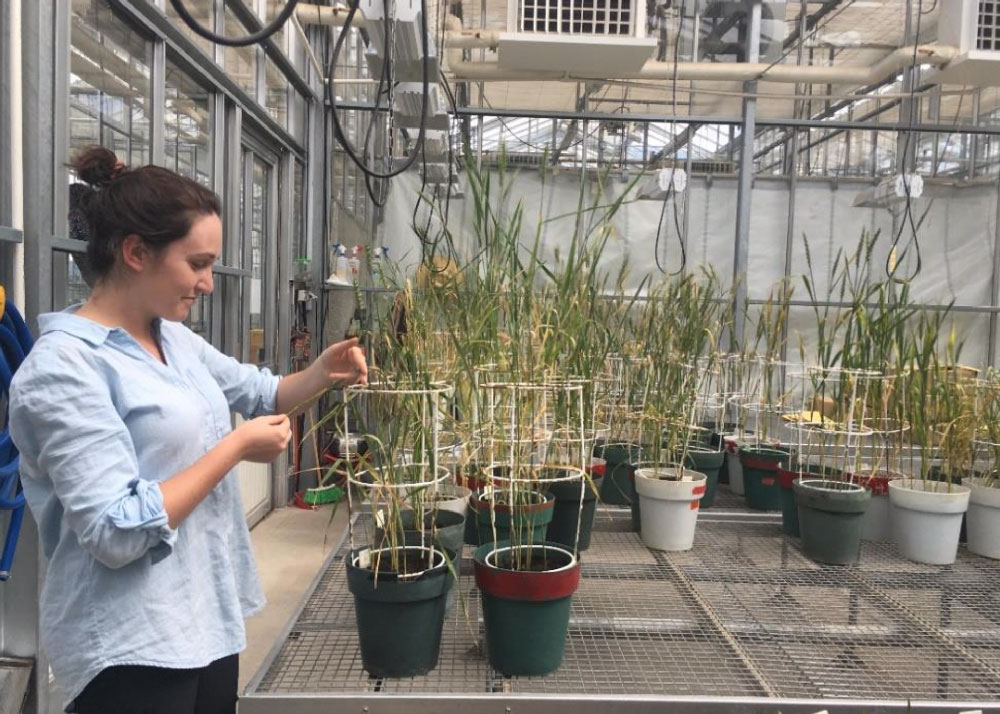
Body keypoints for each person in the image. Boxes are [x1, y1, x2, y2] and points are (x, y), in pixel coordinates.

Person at [8, 146, 368, 714]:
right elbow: (114, 530)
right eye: (196, 263)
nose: (207, 282)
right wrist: (233, 449)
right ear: (135, 253)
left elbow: (260, 392)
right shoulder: (63, 370)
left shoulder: (172, 340)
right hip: (131, 643)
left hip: (204, 617)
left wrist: (324, 372)